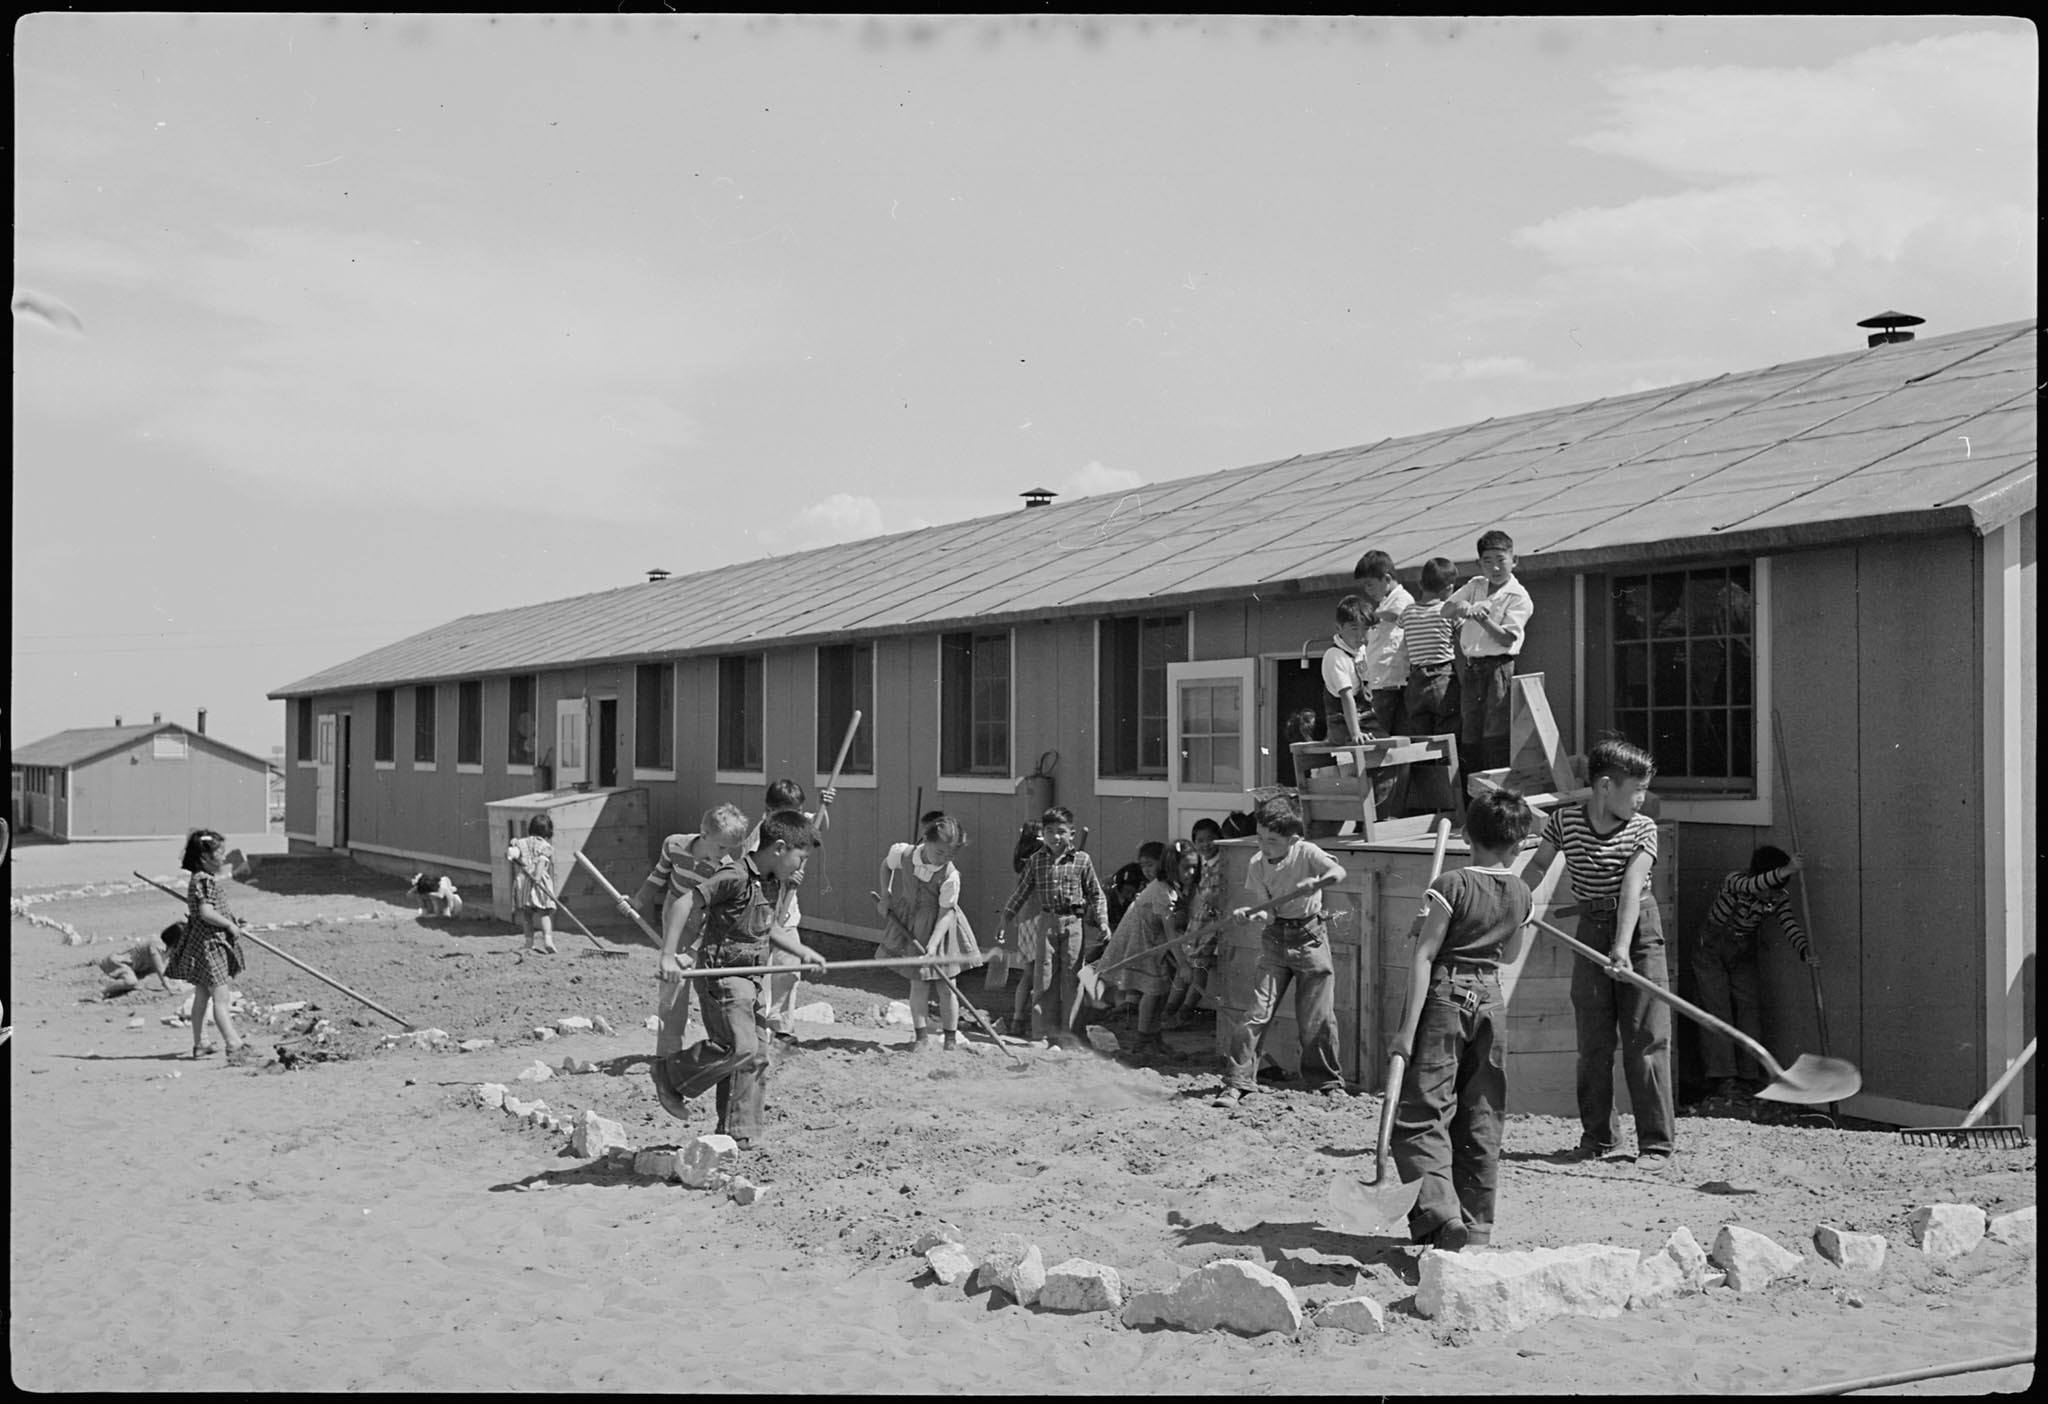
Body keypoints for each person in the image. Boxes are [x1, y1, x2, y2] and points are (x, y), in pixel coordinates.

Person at [1388, 787, 1540, 1252]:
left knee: (1418, 1115)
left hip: (1446, 998)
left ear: (1467, 835)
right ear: (1517, 847)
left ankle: (1439, 1213)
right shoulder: (1522, 892)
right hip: (1490, 1000)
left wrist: (1405, 1032)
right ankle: (1476, 1227)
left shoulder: (1451, 886)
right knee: (1481, 1114)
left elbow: (1424, 957)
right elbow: (1508, 954)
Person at [1522, 738, 1672, 1169]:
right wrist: (1517, 901)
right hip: (1590, 931)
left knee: (1645, 1040)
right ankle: (1598, 1138)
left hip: (1639, 932)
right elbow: (1536, 866)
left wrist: (1623, 949)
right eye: (1637, 790)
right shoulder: (1564, 822)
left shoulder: (1643, 829)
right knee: (1593, 1042)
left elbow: (1630, 890)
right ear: (1606, 786)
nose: (1643, 799)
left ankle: (1656, 1145)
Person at [653, 811, 828, 1148]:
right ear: (779, 848)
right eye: (800, 857)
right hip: (722, 976)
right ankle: (669, 1074)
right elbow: (685, 902)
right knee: (740, 1047)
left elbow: (768, 926)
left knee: (757, 1054)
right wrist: (667, 955)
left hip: (751, 978)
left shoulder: (773, 881)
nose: (801, 867)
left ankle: (738, 1133)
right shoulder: (733, 874)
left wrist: (802, 951)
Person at [1214, 796, 1348, 1106]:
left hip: (1311, 937)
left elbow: (1338, 873)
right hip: (1275, 940)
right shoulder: (1256, 864)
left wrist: (1320, 881)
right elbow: (1269, 914)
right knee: (1256, 1013)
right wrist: (1252, 913)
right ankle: (1238, 1081)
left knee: (1317, 1018)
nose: (1264, 845)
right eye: (1259, 837)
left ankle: (1326, 1084)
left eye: (1272, 841)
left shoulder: (1307, 853)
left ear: (1293, 839)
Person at [1693, 845, 1812, 1099]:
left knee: (1749, 1009)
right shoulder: (1736, 882)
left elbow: (1789, 924)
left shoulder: (1777, 896)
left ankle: (1749, 1077)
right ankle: (1723, 1078)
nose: (1772, 894)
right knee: (1718, 1011)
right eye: (1771, 886)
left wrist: (1804, 949)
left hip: (1742, 953)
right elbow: (1755, 885)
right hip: (1711, 952)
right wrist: (1787, 869)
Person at [629, 804, 753, 1045]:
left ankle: (722, 1044)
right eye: (721, 846)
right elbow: (658, 875)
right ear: (704, 834)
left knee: (708, 984)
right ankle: (669, 1051)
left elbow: (719, 915)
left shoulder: (725, 867)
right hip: (674, 913)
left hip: (706, 921)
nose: (725, 853)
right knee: (673, 983)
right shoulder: (673, 845)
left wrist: (694, 952)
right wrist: (637, 901)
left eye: (730, 849)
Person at [999, 806, 1109, 1047]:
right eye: (1049, 831)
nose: (1055, 837)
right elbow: (1021, 893)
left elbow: (1096, 894)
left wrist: (1102, 922)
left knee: (1073, 979)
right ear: (1043, 834)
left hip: (1073, 923)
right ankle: (1042, 1034)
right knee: (1044, 978)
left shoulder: (1081, 860)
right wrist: (1005, 918)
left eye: (1061, 831)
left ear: (1072, 833)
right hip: (1046, 922)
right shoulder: (1036, 861)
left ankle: (1073, 1035)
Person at [875, 813, 983, 1052]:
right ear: (926, 840)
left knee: (947, 986)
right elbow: (886, 866)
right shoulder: (904, 854)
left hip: (940, 928)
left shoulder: (950, 876)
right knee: (919, 983)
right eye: (940, 852)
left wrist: (933, 946)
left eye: (952, 854)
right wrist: (886, 895)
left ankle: (950, 1039)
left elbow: (946, 913)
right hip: (912, 922)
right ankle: (921, 1037)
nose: (945, 858)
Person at [748, 779, 837, 1042]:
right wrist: (786, 878)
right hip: (763, 915)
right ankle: (759, 1026)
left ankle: (783, 1027)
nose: (797, 816)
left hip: (787, 916)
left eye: (799, 811)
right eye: (790, 812)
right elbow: (758, 872)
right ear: (769, 811)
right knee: (762, 973)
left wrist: (825, 805)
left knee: (788, 971)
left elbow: (820, 827)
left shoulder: (798, 822)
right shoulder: (760, 836)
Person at [163, 828, 257, 1065]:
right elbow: (206, 912)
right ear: (204, 858)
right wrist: (228, 925)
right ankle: (234, 1044)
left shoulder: (199, 879)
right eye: (219, 853)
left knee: (202, 995)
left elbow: (210, 910)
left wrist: (233, 921)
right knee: (221, 998)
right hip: (210, 945)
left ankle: (201, 1043)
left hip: (204, 942)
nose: (224, 857)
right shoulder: (203, 879)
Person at [1446, 529, 1534, 776]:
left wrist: (1482, 619)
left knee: (1495, 732)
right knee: (1470, 733)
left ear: (1513, 561)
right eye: (1488, 562)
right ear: (1479, 564)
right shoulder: (1475, 585)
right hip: (1472, 667)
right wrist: (1460, 606)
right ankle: (1472, 795)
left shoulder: (1519, 596)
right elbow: (1446, 610)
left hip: (1499, 668)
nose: (1495, 568)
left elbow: (1507, 638)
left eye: (1501, 560)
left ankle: (1495, 792)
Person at [1163, 819, 1229, 1029]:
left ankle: (1185, 1012)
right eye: (1200, 840)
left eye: (1211, 839)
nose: (1206, 844)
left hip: (1212, 925)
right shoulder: (1202, 863)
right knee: (1186, 967)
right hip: (1198, 923)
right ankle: (1169, 1011)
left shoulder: (1224, 863)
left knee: (1198, 968)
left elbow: (1219, 897)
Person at [1352, 549, 1416, 738]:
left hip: (1391, 682)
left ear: (1387, 579)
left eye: (1370, 585)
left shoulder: (1402, 599)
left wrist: (1370, 617)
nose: (1367, 590)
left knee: (1377, 735)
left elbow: (1398, 614)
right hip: (1378, 683)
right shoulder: (1383, 604)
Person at [1320, 595, 1372, 748]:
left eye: (1366, 629)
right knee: (1359, 748)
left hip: (1365, 716)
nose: (1360, 635)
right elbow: (1346, 696)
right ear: (1339, 628)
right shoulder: (1335, 655)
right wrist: (1356, 733)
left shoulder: (1362, 651)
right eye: (1354, 628)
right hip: (1342, 721)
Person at [505, 814, 559, 955]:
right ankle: (548, 940)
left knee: (527, 914)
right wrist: (538, 876)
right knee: (544, 912)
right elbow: (541, 861)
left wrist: (513, 843)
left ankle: (529, 943)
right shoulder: (546, 846)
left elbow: (513, 850)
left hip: (523, 881)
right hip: (538, 880)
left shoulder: (522, 842)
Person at [99, 924, 178, 998]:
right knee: (131, 982)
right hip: (118, 962)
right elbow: (160, 969)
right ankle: (103, 990)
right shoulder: (156, 946)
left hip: (132, 966)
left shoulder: (168, 949)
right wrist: (169, 987)